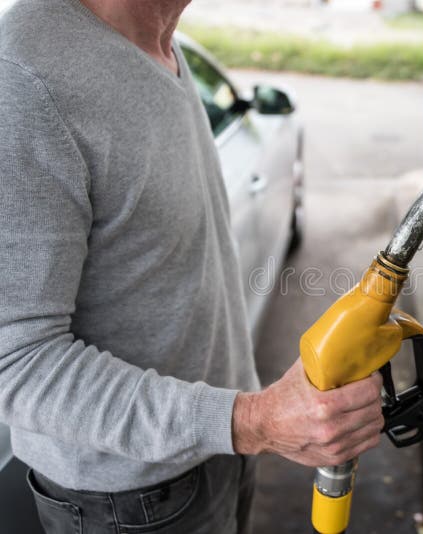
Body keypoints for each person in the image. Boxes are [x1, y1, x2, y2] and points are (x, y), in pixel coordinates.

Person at [0, 0, 385, 532]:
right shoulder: (23, 81)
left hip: (219, 449)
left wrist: (243, 424)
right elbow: (16, 364)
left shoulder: (160, 39)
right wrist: (253, 422)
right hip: (127, 502)